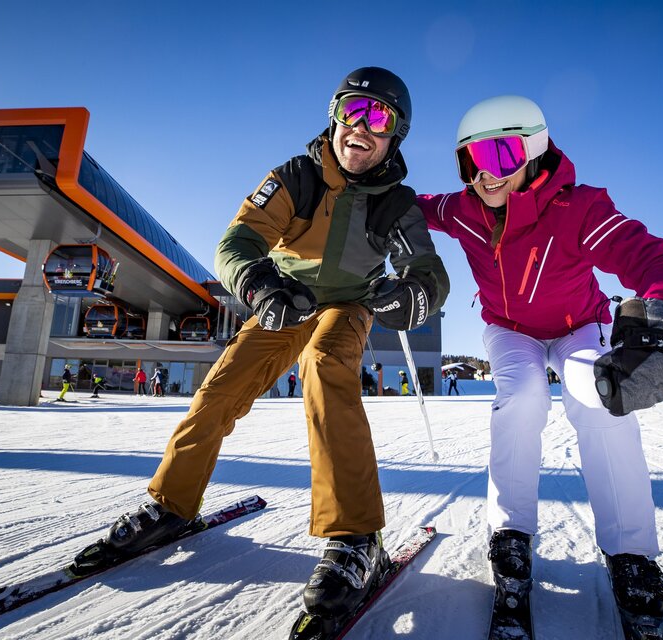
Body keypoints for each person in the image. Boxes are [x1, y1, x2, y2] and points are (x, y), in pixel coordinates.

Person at [86, 67, 449, 619]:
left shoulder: (395, 203)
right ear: (335, 115)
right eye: (354, 110)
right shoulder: (296, 177)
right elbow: (238, 240)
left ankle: (356, 537)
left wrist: (415, 296)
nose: (362, 127)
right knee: (221, 388)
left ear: (394, 136)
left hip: (349, 305)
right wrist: (258, 283)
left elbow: (426, 268)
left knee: (326, 365)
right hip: (288, 299)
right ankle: (171, 504)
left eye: (380, 119)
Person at [418, 95, 663, 627]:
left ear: (534, 148)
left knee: (598, 396)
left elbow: (656, 259)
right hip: (510, 330)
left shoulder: (579, 208)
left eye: (500, 155)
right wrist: (371, 198)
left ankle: (632, 555)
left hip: (579, 327)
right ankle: (510, 536)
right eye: (470, 159)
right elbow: (411, 205)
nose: (485, 173)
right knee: (523, 396)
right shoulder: (463, 210)